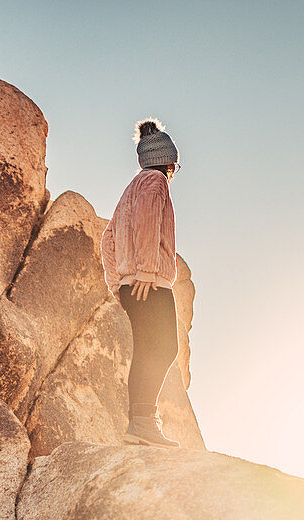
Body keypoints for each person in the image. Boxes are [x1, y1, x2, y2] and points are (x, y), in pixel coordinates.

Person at [99, 118, 183, 448]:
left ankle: (141, 423)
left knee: (148, 349)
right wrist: (147, 271)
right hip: (151, 282)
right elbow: (148, 221)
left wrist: (116, 283)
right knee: (163, 348)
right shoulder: (155, 182)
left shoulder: (130, 189)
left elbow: (108, 239)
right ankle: (144, 423)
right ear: (168, 160)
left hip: (131, 284)